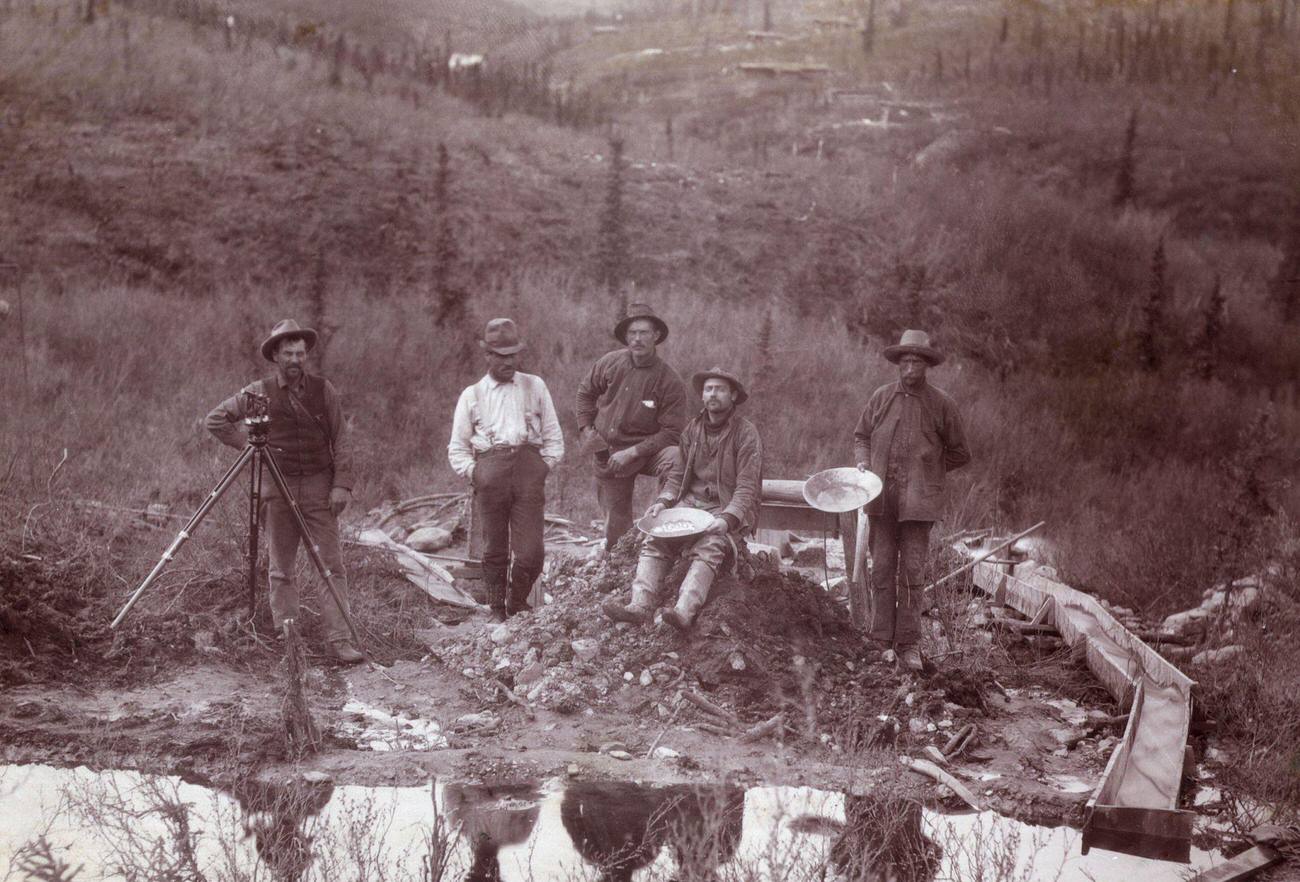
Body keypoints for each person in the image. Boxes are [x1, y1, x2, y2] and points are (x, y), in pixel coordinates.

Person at [205, 319, 362, 663]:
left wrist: (342, 485)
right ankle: (289, 641)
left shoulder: (324, 390)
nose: (295, 359)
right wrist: (248, 445)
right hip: (277, 487)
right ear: (275, 355)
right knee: (281, 568)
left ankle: (339, 641)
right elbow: (216, 420)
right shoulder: (258, 391)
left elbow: (342, 439)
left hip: (321, 488)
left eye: (300, 353)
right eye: (288, 353)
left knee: (331, 565)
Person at [603, 367, 762, 631]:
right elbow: (678, 475)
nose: (713, 394)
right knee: (656, 537)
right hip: (690, 504)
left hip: (724, 506)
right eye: (708, 389)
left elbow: (747, 488)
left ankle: (684, 611)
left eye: (720, 389)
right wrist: (664, 501)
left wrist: (727, 519)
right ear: (702, 395)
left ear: (733, 396)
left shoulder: (746, 434)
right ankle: (640, 605)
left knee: (711, 544)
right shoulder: (693, 430)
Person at [853, 329, 970, 673]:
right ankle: (879, 639)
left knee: (912, 573)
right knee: (883, 568)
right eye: (905, 361)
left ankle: (908, 644)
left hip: (919, 507)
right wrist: (863, 461)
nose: (910, 368)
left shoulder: (942, 404)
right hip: (881, 501)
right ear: (898, 364)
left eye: (917, 361)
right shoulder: (881, 397)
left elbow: (961, 452)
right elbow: (861, 435)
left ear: (926, 365)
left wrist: (930, 472)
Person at [449, 318, 564, 623]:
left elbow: (553, 435)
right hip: (490, 469)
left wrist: (543, 466)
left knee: (531, 553)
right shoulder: (472, 395)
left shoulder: (534, 385)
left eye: (512, 355)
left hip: (528, 468)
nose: (508, 361)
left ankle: (517, 601)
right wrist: (476, 473)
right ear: (487, 356)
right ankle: (496, 609)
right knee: (494, 548)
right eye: (501, 356)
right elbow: (457, 447)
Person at [575, 303, 687, 551]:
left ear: (656, 335)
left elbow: (672, 432)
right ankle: (621, 565)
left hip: (647, 452)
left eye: (644, 332)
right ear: (626, 336)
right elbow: (585, 393)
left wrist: (634, 452)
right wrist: (587, 430)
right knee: (617, 531)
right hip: (610, 453)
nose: (637, 339)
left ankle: (666, 533)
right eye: (632, 333)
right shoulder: (610, 363)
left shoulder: (669, 380)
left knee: (677, 457)